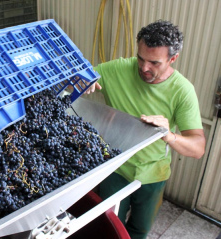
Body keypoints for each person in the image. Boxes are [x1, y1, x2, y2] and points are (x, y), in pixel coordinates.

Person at [86, 20, 206, 238]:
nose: (144, 67)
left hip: (154, 174)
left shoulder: (183, 91)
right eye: (140, 58)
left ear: (173, 59)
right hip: (115, 167)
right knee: (107, 227)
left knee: (140, 230)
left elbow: (198, 148)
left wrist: (168, 135)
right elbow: (80, 79)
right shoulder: (117, 69)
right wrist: (81, 82)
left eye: (154, 63)